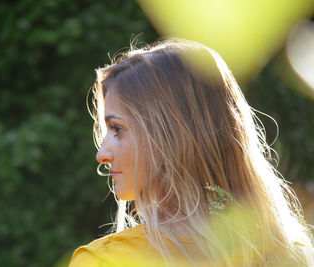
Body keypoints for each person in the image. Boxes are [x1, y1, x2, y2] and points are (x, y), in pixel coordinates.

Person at [69, 39, 314, 266]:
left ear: (170, 136)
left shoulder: (105, 260)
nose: (101, 154)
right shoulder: (290, 252)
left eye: (117, 129)